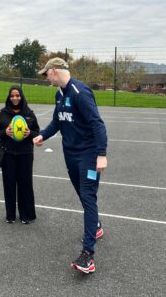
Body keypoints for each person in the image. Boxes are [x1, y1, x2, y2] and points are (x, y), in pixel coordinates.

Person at [33, 57, 107, 274]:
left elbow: (97, 124)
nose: (46, 78)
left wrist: (101, 154)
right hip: (71, 155)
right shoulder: (60, 94)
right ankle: (96, 226)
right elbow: (57, 121)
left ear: (54, 71)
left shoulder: (79, 93)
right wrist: (42, 136)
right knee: (82, 194)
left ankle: (88, 255)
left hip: (89, 156)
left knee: (87, 196)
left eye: (46, 74)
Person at [0, 86, 40, 224]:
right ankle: (10, 215)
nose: (15, 98)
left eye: (17, 95)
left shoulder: (29, 113)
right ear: (9, 97)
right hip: (8, 154)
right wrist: (5, 133)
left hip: (25, 154)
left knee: (25, 184)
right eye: (12, 96)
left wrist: (29, 134)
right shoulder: (2, 114)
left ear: (22, 96)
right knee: (9, 184)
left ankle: (26, 215)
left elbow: (37, 132)